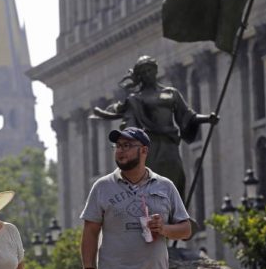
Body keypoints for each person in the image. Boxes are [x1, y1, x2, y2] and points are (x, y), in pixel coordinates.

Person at [81, 127, 192, 269]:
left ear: (144, 151)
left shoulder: (165, 186)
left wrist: (165, 229)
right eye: (118, 146)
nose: (120, 151)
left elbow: (186, 229)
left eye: (127, 146)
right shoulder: (102, 187)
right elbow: (90, 231)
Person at [93, 55, 219, 199]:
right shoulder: (136, 99)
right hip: (150, 147)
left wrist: (208, 118)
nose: (147, 74)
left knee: (176, 180)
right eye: (143, 72)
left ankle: (177, 216)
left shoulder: (171, 93)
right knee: (152, 184)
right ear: (139, 76)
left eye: (150, 70)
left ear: (155, 70)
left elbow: (188, 116)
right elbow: (131, 127)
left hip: (169, 146)